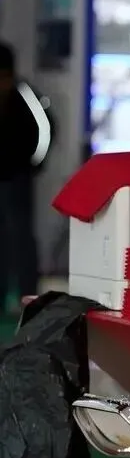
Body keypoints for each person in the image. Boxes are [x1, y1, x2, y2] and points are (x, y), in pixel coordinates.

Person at [0, 41, 50, 313]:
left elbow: (45, 129)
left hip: (18, 178)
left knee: (21, 239)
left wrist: (33, 165)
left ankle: (28, 298)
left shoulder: (25, 96)